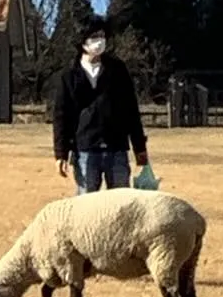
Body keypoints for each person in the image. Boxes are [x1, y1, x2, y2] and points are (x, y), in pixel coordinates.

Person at [51, 19, 150, 193]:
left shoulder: (118, 69)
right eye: (94, 37)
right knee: (86, 205)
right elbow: (61, 116)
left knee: (121, 203)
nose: (100, 41)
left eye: (102, 36)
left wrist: (139, 147)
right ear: (83, 42)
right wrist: (61, 153)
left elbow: (131, 109)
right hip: (85, 149)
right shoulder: (68, 75)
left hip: (117, 147)